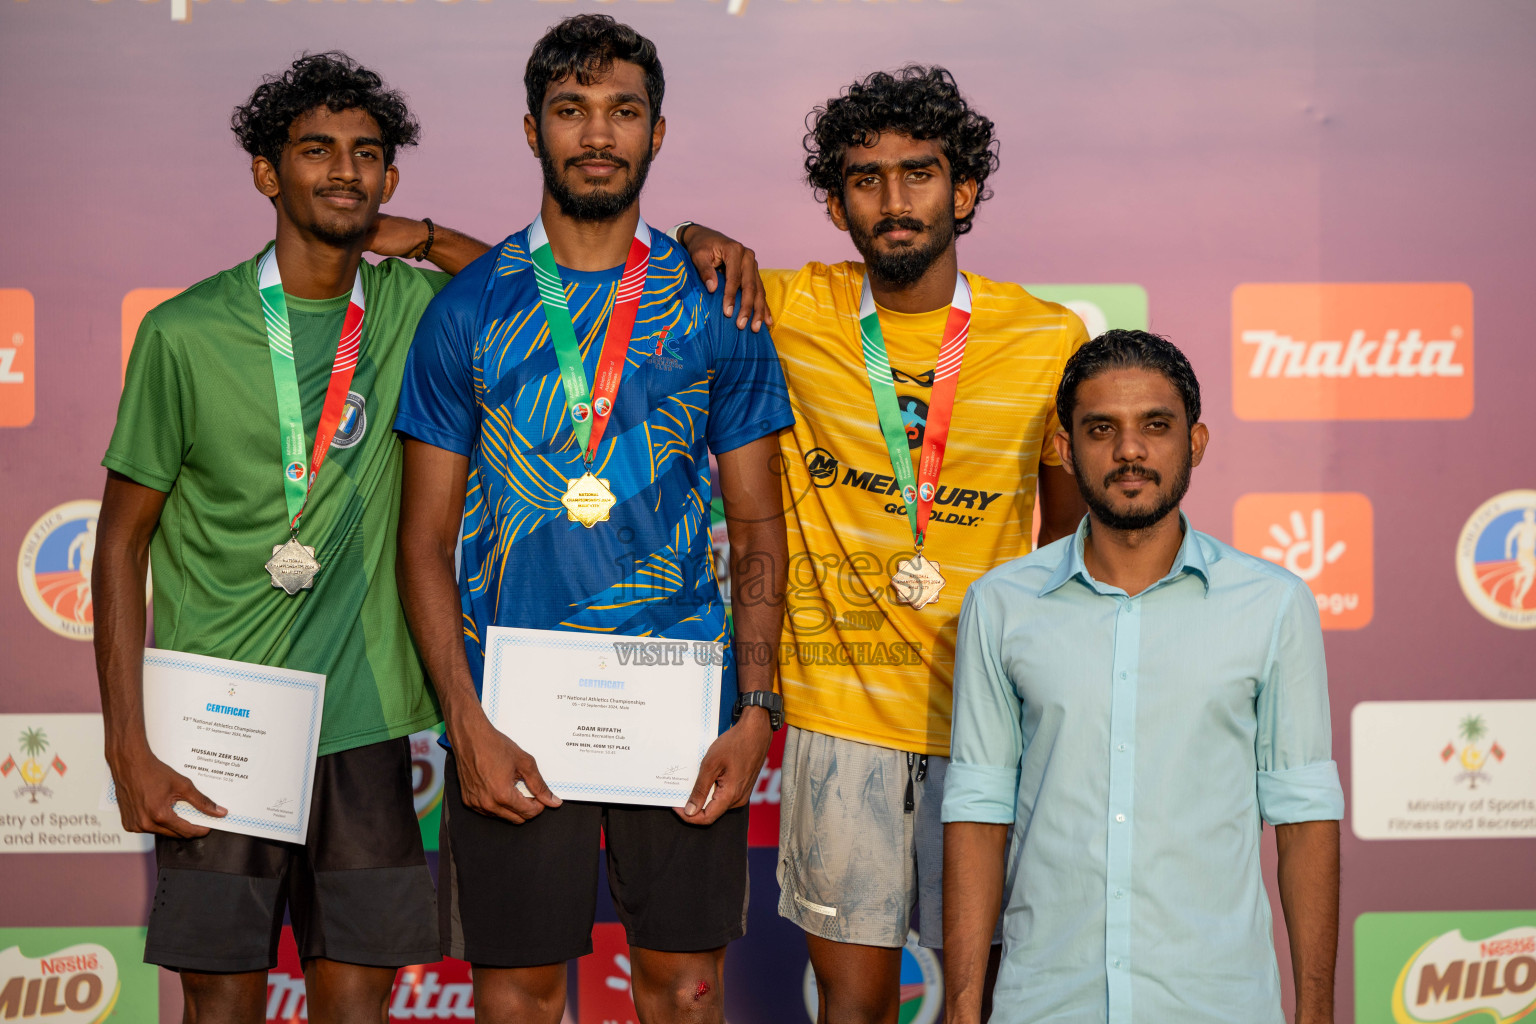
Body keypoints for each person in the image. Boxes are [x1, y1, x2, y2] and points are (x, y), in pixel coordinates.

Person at [393, 16, 793, 1024]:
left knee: (686, 991)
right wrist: (465, 721)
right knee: (520, 998)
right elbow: (423, 544)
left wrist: (756, 709)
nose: (599, 134)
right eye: (572, 111)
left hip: (685, 709)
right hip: (512, 716)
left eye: (624, 111)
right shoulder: (469, 308)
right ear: (532, 131)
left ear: (659, 134)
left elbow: (756, 528)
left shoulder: (715, 305)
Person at [678, 66, 1087, 1024]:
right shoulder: (782, 307)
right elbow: (586, 283)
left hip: (988, 723)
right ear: (835, 204)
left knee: (982, 1002)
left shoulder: (1048, 336)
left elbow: (1070, 543)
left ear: (966, 189)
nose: (895, 200)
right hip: (838, 712)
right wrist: (695, 235)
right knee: (851, 1009)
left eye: (920, 173)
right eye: (866, 178)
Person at [93, 52, 487, 1024]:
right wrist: (124, 745)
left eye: (367, 154)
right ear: (268, 173)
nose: (344, 171)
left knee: (356, 1007)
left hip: (363, 725)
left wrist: (426, 240)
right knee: (219, 1007)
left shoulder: (410, 311)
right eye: (316, 150)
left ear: (389, 180)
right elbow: (116, 546)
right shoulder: (185, 332)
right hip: (216, 727)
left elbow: (540, 293)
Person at [942, 330, 1344, 1024]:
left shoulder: (1273, 604)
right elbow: (979, 813)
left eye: (1156, 426)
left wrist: (1315, 1013)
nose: (1130, 450)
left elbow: (1304, 818)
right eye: (1102, 429)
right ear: (1066, 450)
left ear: (1197, 442)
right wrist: (962, 1007)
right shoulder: (1000, 604)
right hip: (1046, 1003)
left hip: (1219, 1005)